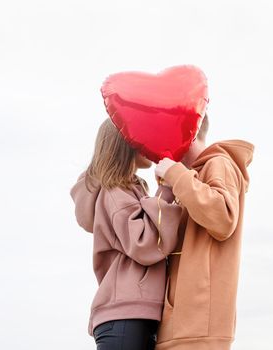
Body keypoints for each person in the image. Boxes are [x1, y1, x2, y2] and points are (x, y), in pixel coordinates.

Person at [70, 118, 183, 350]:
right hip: (126, 316)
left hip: (129, 314)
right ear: (127, 143)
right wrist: (167, 190)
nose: (150, 145)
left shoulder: (127, 188)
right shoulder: (115, 191)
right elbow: (144, 243)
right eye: (144, 138)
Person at [153, 115, 254, 350]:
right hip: (181, 325)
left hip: (196, 327)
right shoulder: (190, 177)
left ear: (188, 132)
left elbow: (223, 218)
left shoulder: (218, 163)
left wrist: (176, 173)